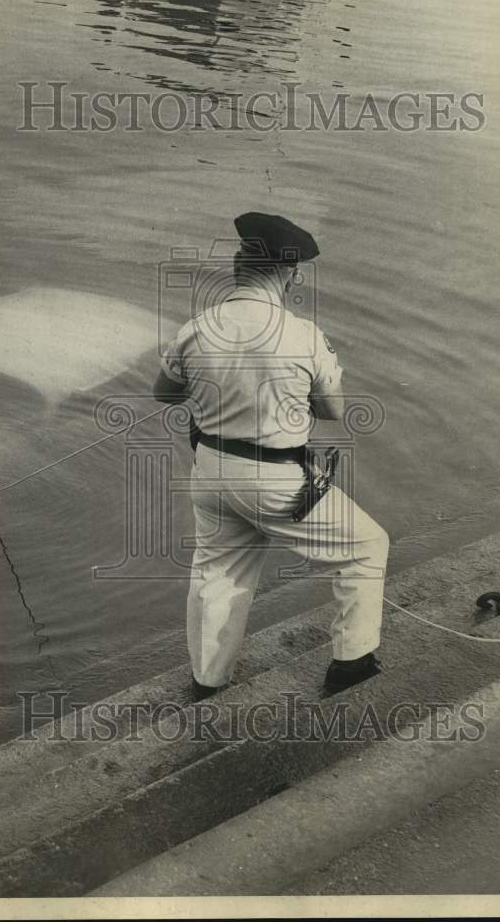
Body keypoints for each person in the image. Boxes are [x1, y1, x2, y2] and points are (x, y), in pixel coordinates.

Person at [153, 212, 389, 699]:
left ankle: (208, 682)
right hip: (275, 479)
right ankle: (350, 666)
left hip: (211, 471)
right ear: (291, 274)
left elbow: (164, 394)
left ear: (239, 266)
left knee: (218, 572)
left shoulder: (197, 327)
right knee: (366, 546)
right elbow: (333, 411)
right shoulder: (304, 335)